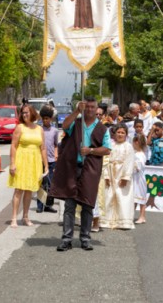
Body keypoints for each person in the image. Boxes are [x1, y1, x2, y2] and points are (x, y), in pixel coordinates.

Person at [49, 97, 111, 251]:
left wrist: (90, 150)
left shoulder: (102, 128)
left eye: (92, 107)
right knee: (69, 204)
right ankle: (67, 239)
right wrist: (77, 111)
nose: (89, 109)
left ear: (96, 109)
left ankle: (85, 238)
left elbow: (107, 149)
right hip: (72, 167)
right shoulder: (76, 122)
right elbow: (64, 126)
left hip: (90, 169)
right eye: (87, 107)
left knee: (87, 204)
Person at [8, 104, 49, 228]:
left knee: (29, 190)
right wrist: (12, 163)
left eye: (26, 112)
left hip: (34, 161)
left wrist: (46, 165)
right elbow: (13, 146)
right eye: (23, 112)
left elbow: (43, 148)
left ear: (32, 113)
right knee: (19, 189)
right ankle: (14, 217)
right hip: (22, 160)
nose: (24, 114)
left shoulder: (39, 129)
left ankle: (25, 216)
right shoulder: (20, 127)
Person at [100, 123, 136, 230]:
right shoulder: (110, 145)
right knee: (108, 195)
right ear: (114, 134)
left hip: (121, 173)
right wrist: (106, 175)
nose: (120, 134)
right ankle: (106, 220)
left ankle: (123, 222)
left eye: (122, 133)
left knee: (122, 196)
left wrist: (126, 177)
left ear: (126, 135)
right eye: (118, 132)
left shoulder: (128, 146)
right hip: (110, 172)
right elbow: (105, 160)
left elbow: (130, 162)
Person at [37, 106, 59, 213]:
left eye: (47, 118)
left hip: (51, 160)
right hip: (40, 160)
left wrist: (56, 156)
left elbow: (56, 145)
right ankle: (39, 206)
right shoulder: (39, 130)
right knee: (41, 183)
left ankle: (48, 205)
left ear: (51, 119)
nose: (45, 120)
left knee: (50, 184)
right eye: (43, 118)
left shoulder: (55, 131)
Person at [133, 134, 148, 224]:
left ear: (137, 142)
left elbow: (139, 166)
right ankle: (131, 215)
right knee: (134, 197)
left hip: (139, 178)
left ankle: (142, 216)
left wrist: (133, 165)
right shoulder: (136, 153)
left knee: (141, 197)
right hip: (135, 177)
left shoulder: (140, 154)